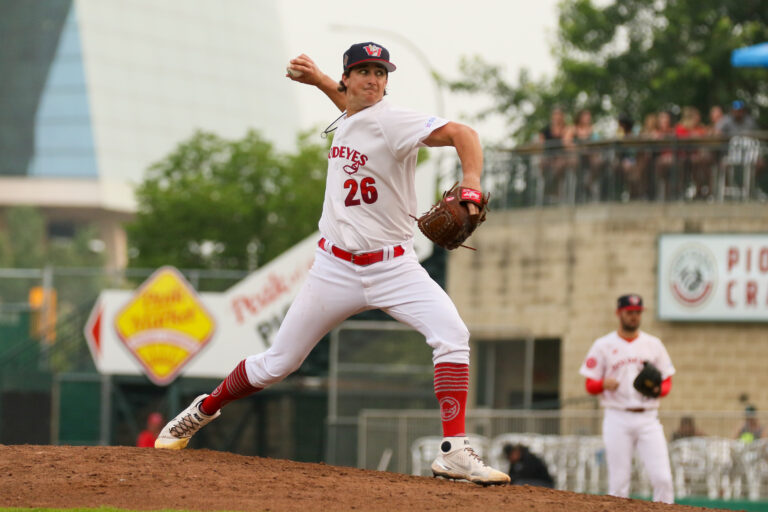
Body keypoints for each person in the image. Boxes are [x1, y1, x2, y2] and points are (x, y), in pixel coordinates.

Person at [153, 41, 510, 486]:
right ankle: (202, 411)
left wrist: (471, 184)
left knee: (453, 335)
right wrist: (321, 80)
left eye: (380, 73)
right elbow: (353, 107)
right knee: (276, 364)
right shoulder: (351, 114)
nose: (373, 80)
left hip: (393, 267)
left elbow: (464, 134)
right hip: (334, 268)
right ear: (348, 79)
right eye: (363, 71)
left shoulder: (393, 118)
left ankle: (454, 451)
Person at [579, 294, 675, 504]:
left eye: (637, 312)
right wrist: (602, 384)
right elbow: (589, 384)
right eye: (629, 312)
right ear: (619, 313)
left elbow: (667, 380)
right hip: (617, 417)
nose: (634, 316)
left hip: (648, 417)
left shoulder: (653, 344)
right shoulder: (603, 344)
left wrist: (659, 390)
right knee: (619, 482)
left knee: (663, 478)